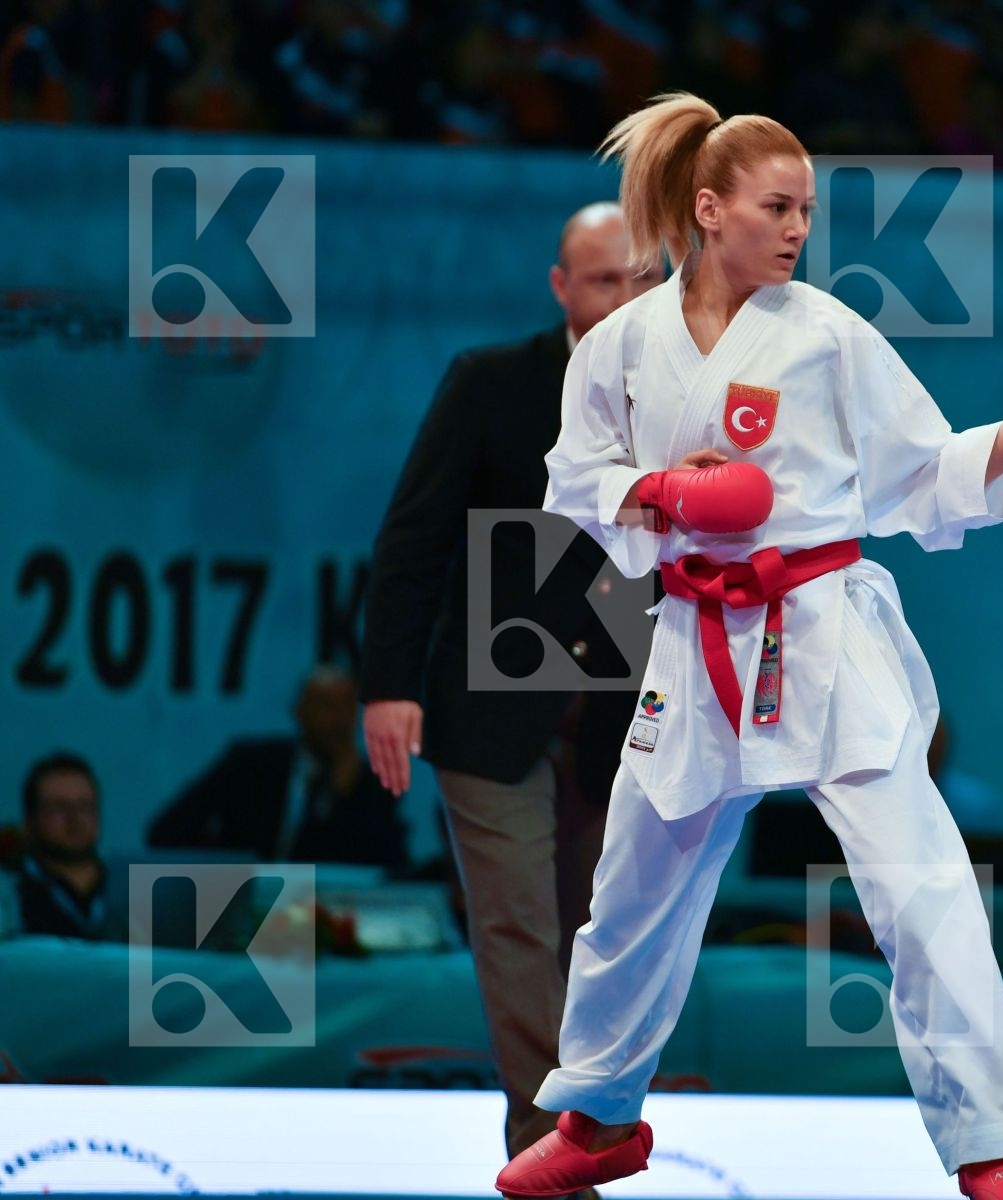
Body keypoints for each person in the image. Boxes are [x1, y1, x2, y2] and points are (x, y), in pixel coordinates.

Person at [494, 92, 1003, 1200]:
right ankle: (598, 1116)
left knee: (922, 886)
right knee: (632, 891)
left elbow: (922, 473)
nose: (797, 230)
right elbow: (573, 479)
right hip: (695, 636)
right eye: (776, 207)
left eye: (807, 211)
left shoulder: (828, 333)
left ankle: (995, 1148)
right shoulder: (621, 343)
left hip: (824, 628)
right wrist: (664, 490)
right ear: (708, 209)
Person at [361, 201, 663, 1161]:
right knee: (520, 932)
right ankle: (549, 1153)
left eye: (645, 278)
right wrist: (388, 685)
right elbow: (414, 539)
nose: (626, 298)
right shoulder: (491, 383)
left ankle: (585, 1128)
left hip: (627, 718)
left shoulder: (688, 396)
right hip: (490, 712)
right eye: (606, 279)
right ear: (562, 287)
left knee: (604, 937)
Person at [150, 665, 407, 869]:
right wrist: (225, 870)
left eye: (348, 707)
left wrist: (339, 797)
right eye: (327, 706)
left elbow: (388, 867)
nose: (339, 720)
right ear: (300, 710)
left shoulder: (372, 785)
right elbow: (168, 830)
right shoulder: (249, 766)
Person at [5, 752, 120, 941]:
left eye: (85, 806)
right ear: (29, 821)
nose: (75, 819)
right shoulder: (10, 893)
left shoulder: (128, 890)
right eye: (58, 808)